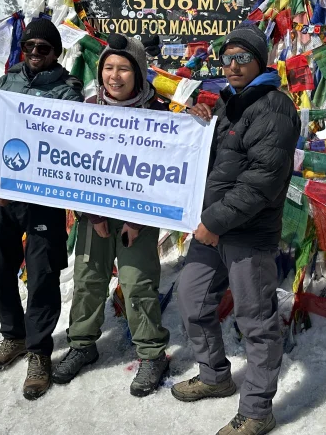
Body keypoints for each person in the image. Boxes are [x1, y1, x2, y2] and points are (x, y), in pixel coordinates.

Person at [171, 24, 300, 435]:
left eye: (243, 58)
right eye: (227, 58)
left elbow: (262, 179)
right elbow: (218, 163)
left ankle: (258, 411)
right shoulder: (232, 105)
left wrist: (214, 221)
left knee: (256, 321)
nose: (233, 66)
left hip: (247, 233)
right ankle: (215, 375)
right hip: (214, 227)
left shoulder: (275, 106)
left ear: (260, 61)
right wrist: (200, 125)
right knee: (192, 298)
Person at [0, 17, 83, 400]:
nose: (35, 54)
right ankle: (12, 335)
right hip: (2, 193)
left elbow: (76, 143)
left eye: (43, 48)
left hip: (43, 200)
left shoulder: (68, 93)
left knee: (42, 274)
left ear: (56, 53)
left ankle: (38, 352)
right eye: (29, 47)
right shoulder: (5, 83)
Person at [52, 34, 171, 396]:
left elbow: (167, 172)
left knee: (137, 282)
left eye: (123, 68)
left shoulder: (158, 113)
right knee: (89, 279)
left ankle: (152, 353)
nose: (114, 76)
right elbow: (78, 166)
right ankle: (82, 344)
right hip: (95, 217)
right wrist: (93, 214)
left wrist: (137, 220)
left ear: (138, 73)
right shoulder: (87, 109)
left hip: (139, 217)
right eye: (108, 67)